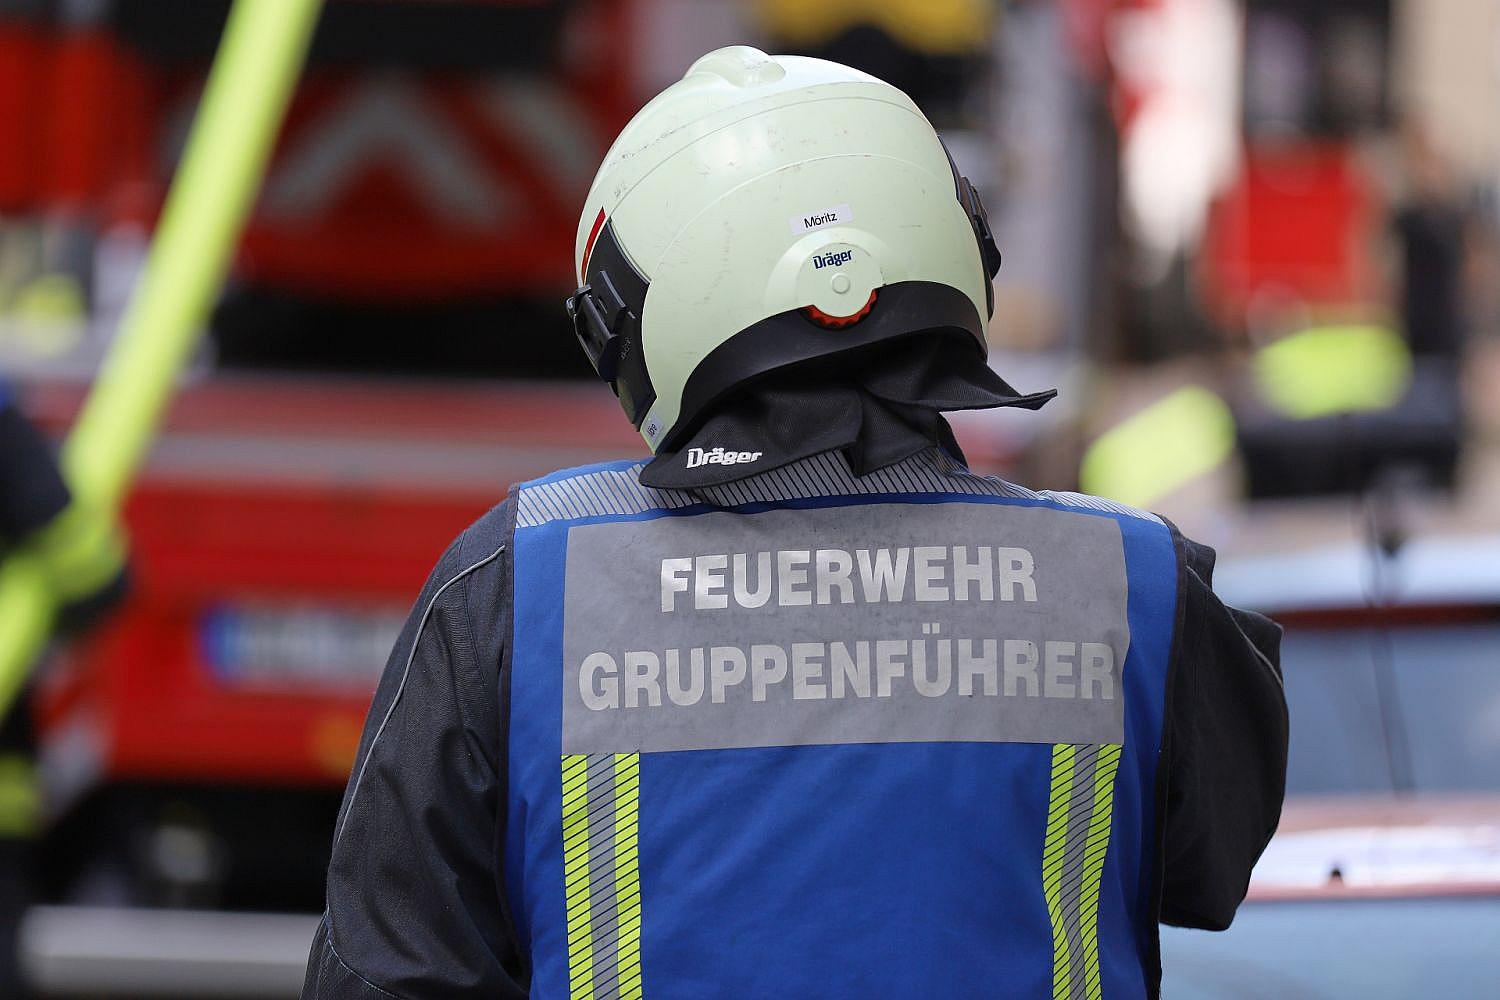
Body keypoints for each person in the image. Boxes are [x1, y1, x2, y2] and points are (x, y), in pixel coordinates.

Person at [303, 47, 1287, 1000]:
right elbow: (1213, 869)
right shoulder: (1132, 581)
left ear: (626, 318)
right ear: (963, 249)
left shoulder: (518, 584)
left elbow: (387, 969)